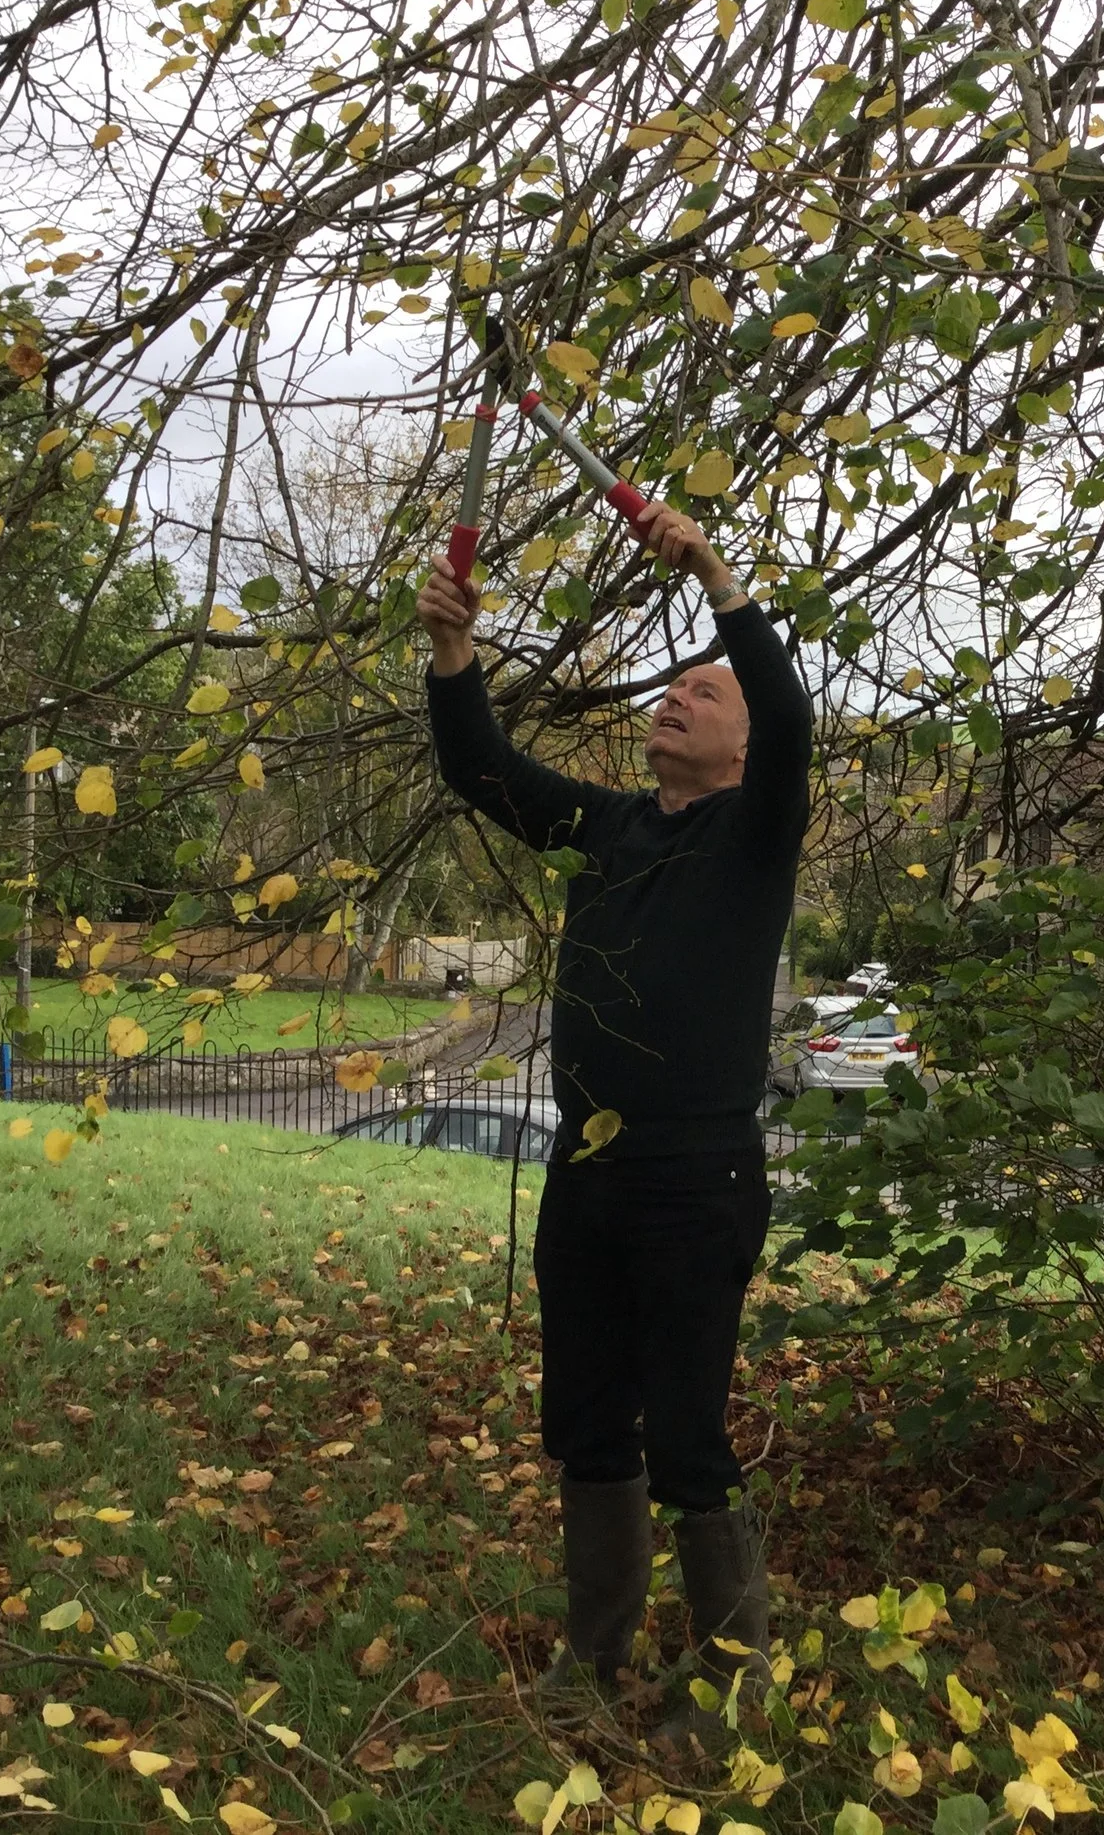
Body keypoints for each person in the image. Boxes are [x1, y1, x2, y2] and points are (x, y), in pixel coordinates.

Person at [418, 504, 811, 1740]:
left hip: (697, 1180)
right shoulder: (608, 827)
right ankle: (593, 1664)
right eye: (675, 684)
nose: (676, 698)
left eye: (704, 689)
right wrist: (450, 654)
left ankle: (728, 1684)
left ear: (744, 744)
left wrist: (717, 581)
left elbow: (789, 712)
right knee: (588, 1423)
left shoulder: (756, 834)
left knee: (689, 1432)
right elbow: (481, 770)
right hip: (586, 1173)